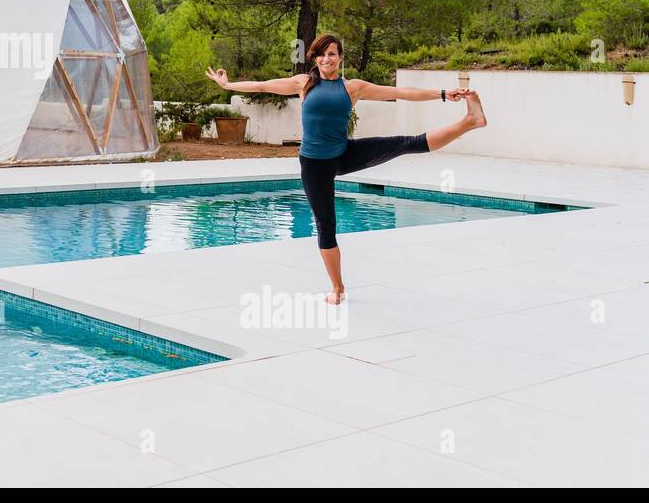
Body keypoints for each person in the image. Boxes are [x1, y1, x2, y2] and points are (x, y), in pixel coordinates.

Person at [207, 34, 487, 304]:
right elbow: (262, 85)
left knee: (405, 143)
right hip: (314, 165)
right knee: (326, 227)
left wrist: (442, 94)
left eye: (332, 53)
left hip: (344, 154)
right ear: (315, 58)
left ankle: (471, 121)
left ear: (340, 58)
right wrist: (228, 85)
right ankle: (338, 288)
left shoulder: (352, 87)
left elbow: (401, 92)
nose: (326, 58)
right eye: (321, 54)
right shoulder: (303, 83)